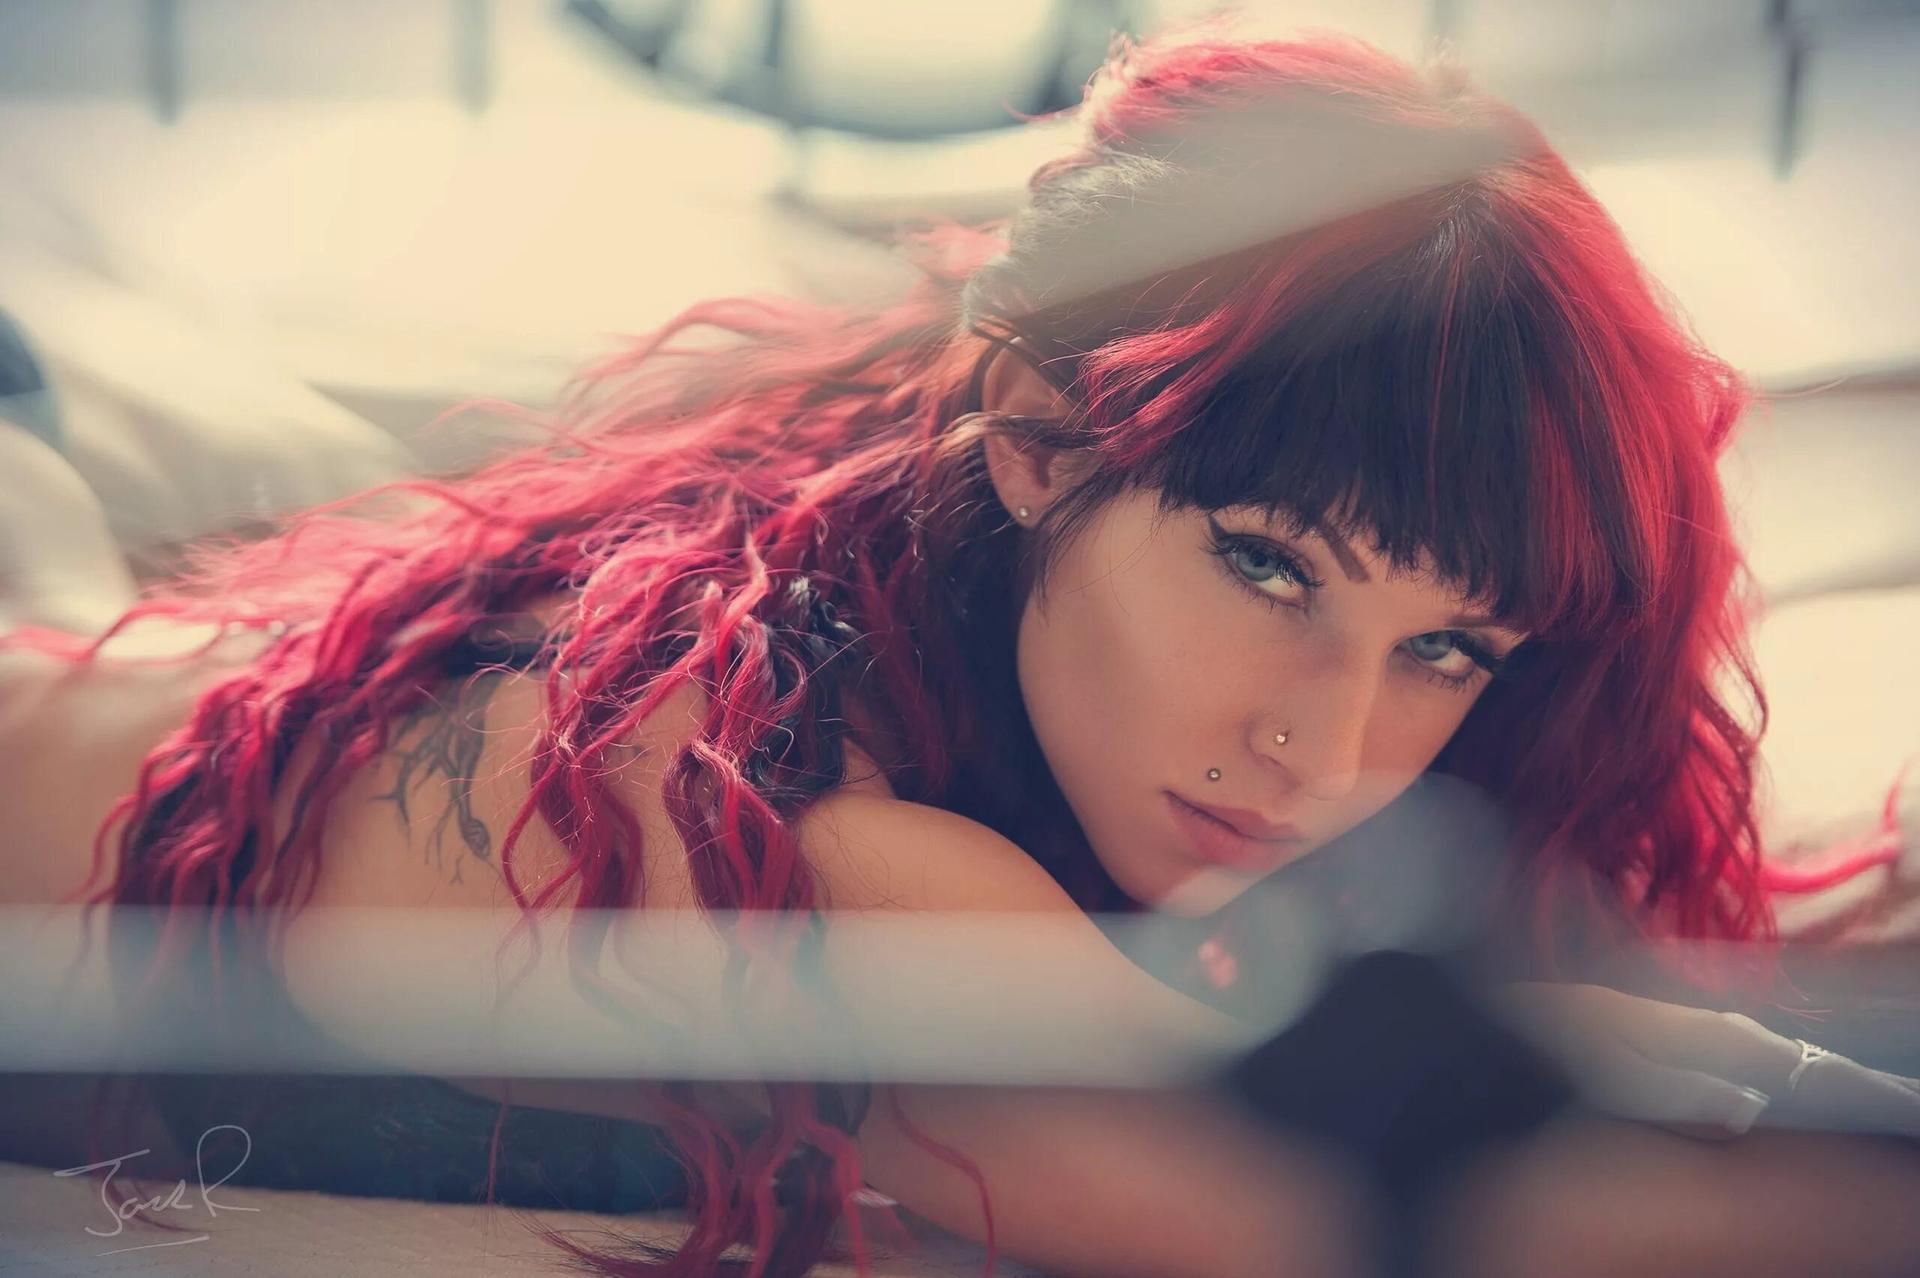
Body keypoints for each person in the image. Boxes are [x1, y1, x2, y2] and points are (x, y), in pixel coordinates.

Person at [4, 23, 1919, 1278]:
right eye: (1266, 566)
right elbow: (1411, 1204)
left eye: (1449, 644)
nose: (1330, 749)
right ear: (1029, 441)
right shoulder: (763, 825)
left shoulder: (948, 621)